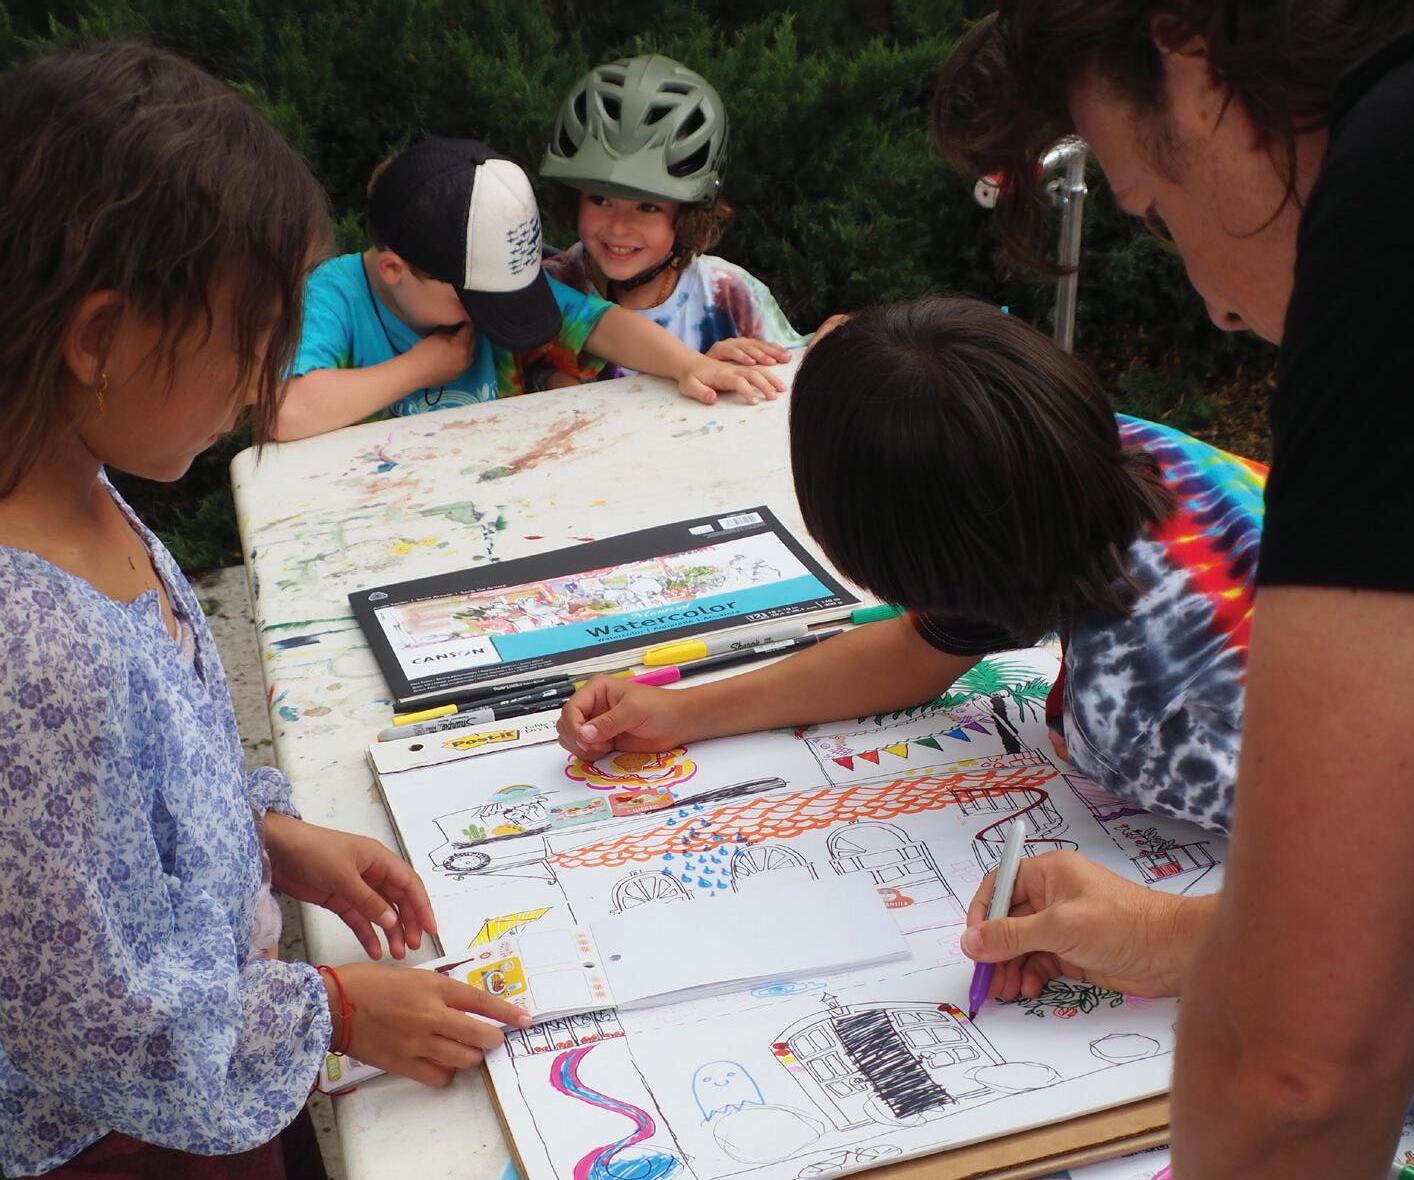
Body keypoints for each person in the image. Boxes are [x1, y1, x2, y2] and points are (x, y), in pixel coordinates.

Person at [931, 3, 1414, 1175]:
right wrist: (1175, 932)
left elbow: (1299, 1067)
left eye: (1154, 209)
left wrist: (1249, 972)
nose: (1215, 303)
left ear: (1190, 60)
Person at [0, 44, 530, 1178]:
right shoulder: (30, 648)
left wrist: (266, 836)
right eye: (247, 344)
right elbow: (83, 1019)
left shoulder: (81, 488)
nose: (258, 386)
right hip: (137, 1138)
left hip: (221, 1053)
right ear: (97, 339)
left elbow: (132, 808)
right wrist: (334, 1008)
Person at [557, 295, 1265, 840]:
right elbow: (915, 653)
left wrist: (1143, 927)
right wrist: (681, 711)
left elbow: (1329, 893)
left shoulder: (1142, 717)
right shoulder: (1081, 458)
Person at [275, 136, 782, 440]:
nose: (489, 315)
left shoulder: (483, 276)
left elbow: (601, 324)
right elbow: (283, 413)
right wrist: (421, 368)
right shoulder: (334, 295)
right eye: (476, 300)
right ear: (393, 268)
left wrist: (688, 365)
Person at [540, 53, 823, 376]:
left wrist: (837, 333)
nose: (619, 227)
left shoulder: (727, 293)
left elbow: (799, 377)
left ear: (689, 214)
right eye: (600, 200)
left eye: (647, 207)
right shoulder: (544, 293)